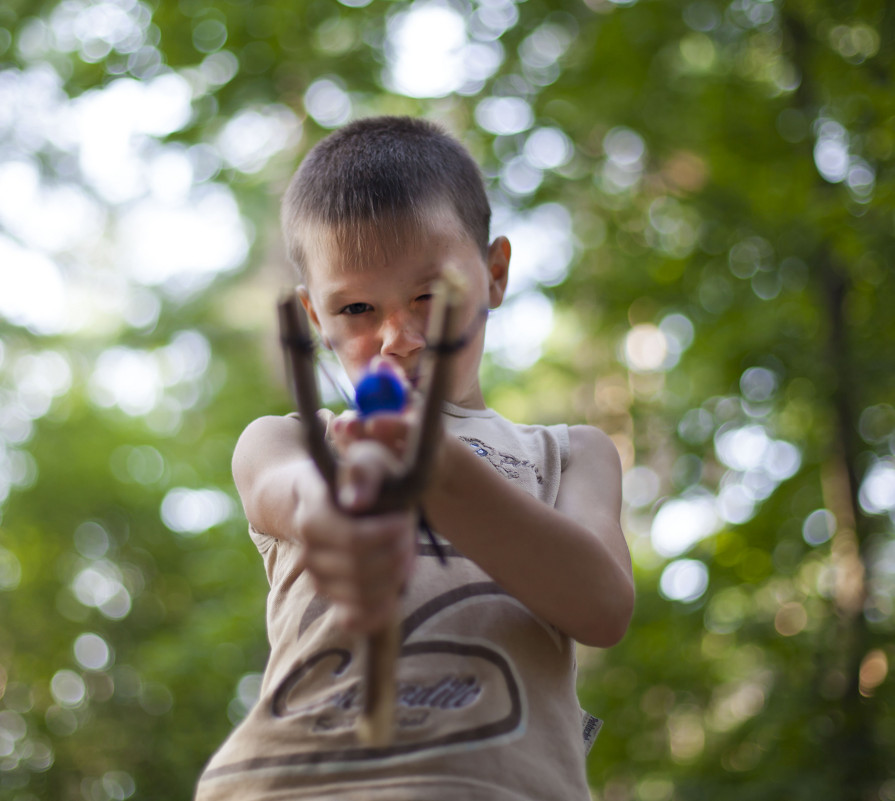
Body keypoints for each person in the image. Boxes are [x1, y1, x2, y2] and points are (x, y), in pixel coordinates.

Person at [194, 116, 634, 801]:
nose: (396, 337)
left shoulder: (572, 454)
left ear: (493, 275)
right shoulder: (291, 439)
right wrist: (336, 510)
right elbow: (291, 491)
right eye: (358, 308)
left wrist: (443, 476)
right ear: (316, 318)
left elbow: (602, 604)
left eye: (430, 295)